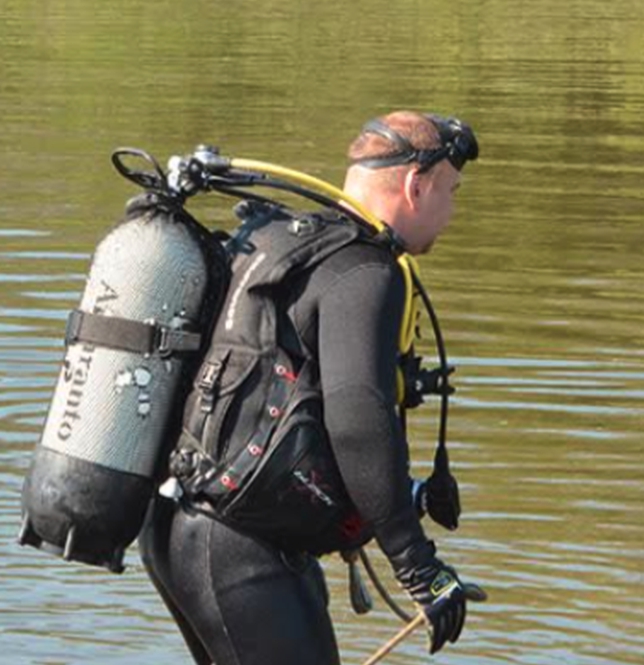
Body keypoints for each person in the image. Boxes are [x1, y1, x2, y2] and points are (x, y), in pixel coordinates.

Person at [139, 110, 479, 665]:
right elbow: (357, 418)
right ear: (417, 185)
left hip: (186, 528)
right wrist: (419, 566)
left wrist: (409, 495)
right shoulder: (366, 270)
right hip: (236, 550)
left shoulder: (285, 243)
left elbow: (288, 412)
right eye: (452, 191)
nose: (452, 211)